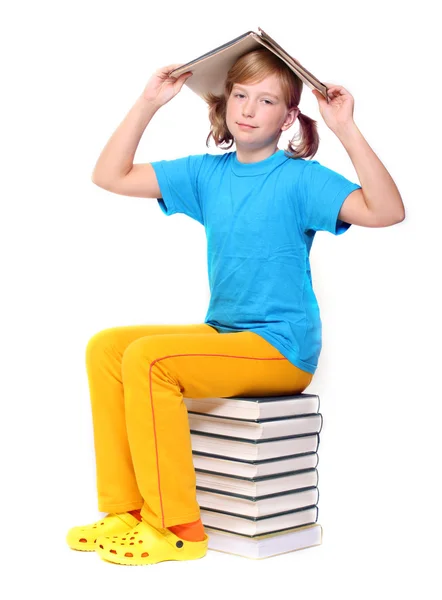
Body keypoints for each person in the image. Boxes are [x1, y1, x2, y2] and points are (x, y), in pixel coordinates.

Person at [66, 48, 405, 566]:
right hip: (226, 333)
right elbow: (109, 176)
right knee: (108, 347)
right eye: (240, 95)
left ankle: (176, 529)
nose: (248, 108)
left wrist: (345, 128)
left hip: (281, 349)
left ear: (288, 116)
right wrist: (148, 102)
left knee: (149, 360)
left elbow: (387, 211)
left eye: (266, 100)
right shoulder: (208, 174)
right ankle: (125, 512)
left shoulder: (301, 178)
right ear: (224, 104)